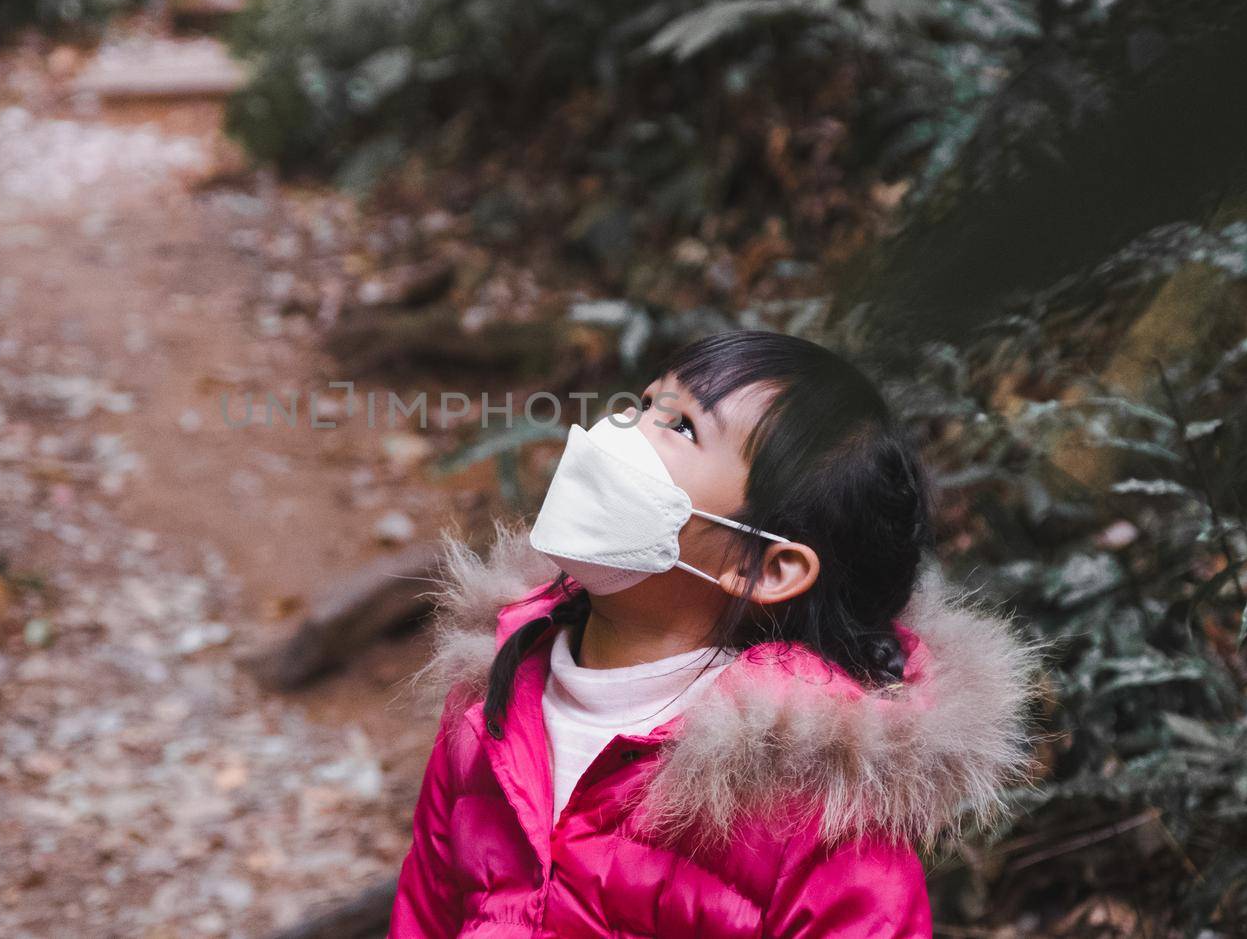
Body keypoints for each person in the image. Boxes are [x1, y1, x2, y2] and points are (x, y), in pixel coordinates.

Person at [387, 330, 1046, 938]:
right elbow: (425, 911)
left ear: (765, 566)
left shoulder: (815, 813)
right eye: (643, 404)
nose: (620, 432)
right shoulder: (496, 688)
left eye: (679, 425)